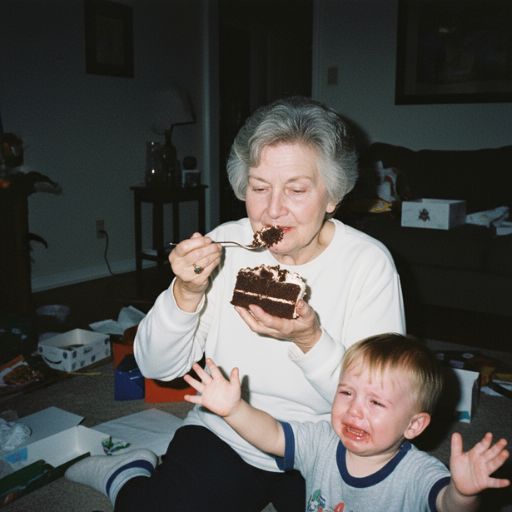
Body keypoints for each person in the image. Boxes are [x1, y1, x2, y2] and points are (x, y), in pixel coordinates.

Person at [65, 96, 405, 511]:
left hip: (326, 444)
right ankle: (126, 472)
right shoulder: (226, 245)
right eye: (259, 188)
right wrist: (185, 293)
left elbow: (379, 403)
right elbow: (156, 367)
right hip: (226, 430)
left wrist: (310, 339)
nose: (273, 210)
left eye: (296, 189)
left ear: (333, 196)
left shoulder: (368, 264)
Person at [184, 333, 510, 512]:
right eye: (347, 392)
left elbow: (448, 506)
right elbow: (272, 435)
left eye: (376, 402)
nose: (354, 410)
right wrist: (234, 410)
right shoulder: (323, 441)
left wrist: (462, 493)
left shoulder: (417, 472)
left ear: (413, 425)